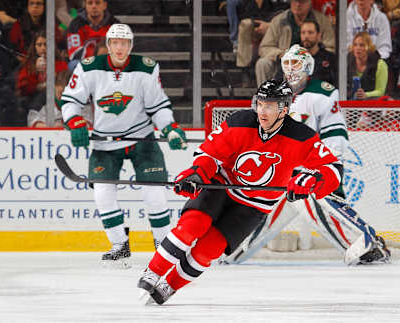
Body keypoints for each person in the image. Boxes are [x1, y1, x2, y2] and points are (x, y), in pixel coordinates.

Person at [137, 79, 344, 305]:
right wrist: (196, 174)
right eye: (260, 104)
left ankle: (171, 285)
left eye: (270, 106)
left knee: (209, 249)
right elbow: (209, 154)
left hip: (255, 206)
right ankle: (153, 271)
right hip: (222, 186)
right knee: (192, 226)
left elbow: (333, 168)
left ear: (284, 108)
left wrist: (312, 180)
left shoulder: (301, 136)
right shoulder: (240, 122)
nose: (262, 111)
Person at [225, 45, 390, 265]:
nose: (291, 69)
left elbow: (335, 135)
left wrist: (325, 170)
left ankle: (368, 242)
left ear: (308, 67)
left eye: (296, 64)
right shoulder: (270, 95)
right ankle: (229, 252)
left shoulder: (323, 93)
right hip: (277, 173)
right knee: (257, 216)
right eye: (287, 64)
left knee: (318, 204)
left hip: (308, 173)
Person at [61, 23, 187, 261]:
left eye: (125, 43)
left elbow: (157, 106)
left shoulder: (146, 69)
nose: (120, 48)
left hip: (141, 137)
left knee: (155, 193)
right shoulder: (89, 68)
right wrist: (74, 122)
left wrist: (169, 127)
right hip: (105, 142)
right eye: (115, 43)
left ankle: (164, 246)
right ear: (108, 45)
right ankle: (119, 244)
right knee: (102, 192)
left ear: (131, 45)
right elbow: (70, 101)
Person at [255, 0, 335, 86]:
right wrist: (282, 54)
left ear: (310, 3)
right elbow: (264, 48)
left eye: (302, 2)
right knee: (262, 63)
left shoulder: (322, 20)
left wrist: (312, 54)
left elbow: (331, 47)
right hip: (284, 63)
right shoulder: (278, 20)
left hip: (314, 62)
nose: (297, 5)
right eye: (294, 1)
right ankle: (265, 96)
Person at [17, 30, 68, 127]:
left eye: (46, 44)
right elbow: (23, 89)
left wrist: (54, 76)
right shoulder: (28, 64)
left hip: (55, 101)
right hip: (33, 101)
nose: (43, 48)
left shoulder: (61, 64)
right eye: (39, 45)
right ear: (34, 47)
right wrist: (35, 72)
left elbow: (64, 84)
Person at [66, 0, 118, 70]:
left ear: (104, 5)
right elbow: (74, 53)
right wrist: (96, 57)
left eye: (97, 3)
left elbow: (119, 50)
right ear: (85, 6)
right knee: (74, 64)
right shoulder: (76, 24)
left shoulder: (115, 24)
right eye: (90, 3)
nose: (94, 6)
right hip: (85, 61)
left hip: (108, 61)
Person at [347, 32, 388, 100]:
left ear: (369, 47)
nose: (358, 48)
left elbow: (380, 91)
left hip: (372, 103)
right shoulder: (347, 61)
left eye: (362, 45)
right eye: (355, 45)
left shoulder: (380, 64)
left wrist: (366, 95)